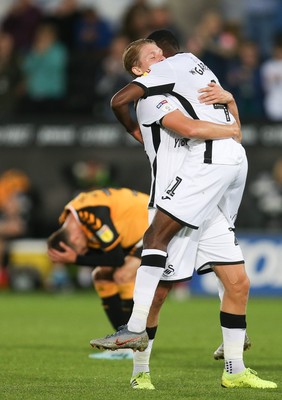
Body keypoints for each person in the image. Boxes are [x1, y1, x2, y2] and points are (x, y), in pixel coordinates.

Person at [90, 31, 277, 389]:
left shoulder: (175, 93)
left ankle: (236, 370)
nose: (160, 59)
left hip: (200, 197)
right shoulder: (150, 100)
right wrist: (230, 129)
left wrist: (230, 101)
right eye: (152, 56)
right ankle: (139, 371)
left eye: (161, 53)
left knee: (238, 283)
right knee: (160, 292)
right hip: (174, 197)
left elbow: (195, 118)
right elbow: (188, 128)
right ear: (137, 69)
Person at [47, 187, 149, 359]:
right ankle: (122, 342)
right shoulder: (70, 219)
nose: (84, 251)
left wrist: (76, 259)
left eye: (80, 249)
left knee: (122, 275)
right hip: (132, 236)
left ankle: (132, 343)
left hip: (152, 225)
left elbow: (116, 258)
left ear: (75, 239)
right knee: (100, 276)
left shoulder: (92, 215)